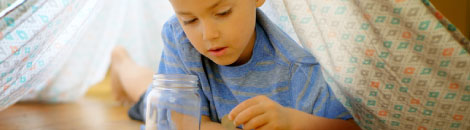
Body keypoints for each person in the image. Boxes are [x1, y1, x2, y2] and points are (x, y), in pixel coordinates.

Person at [111, 0, 361, 129]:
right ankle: (121, 62)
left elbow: (349, 127)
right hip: (182, 103)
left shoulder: (297, 69)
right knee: (147, 95)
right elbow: (177, 119)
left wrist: (294, 122)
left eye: (222, 13)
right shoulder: (179, 37)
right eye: (189, 20)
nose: (208, 35)